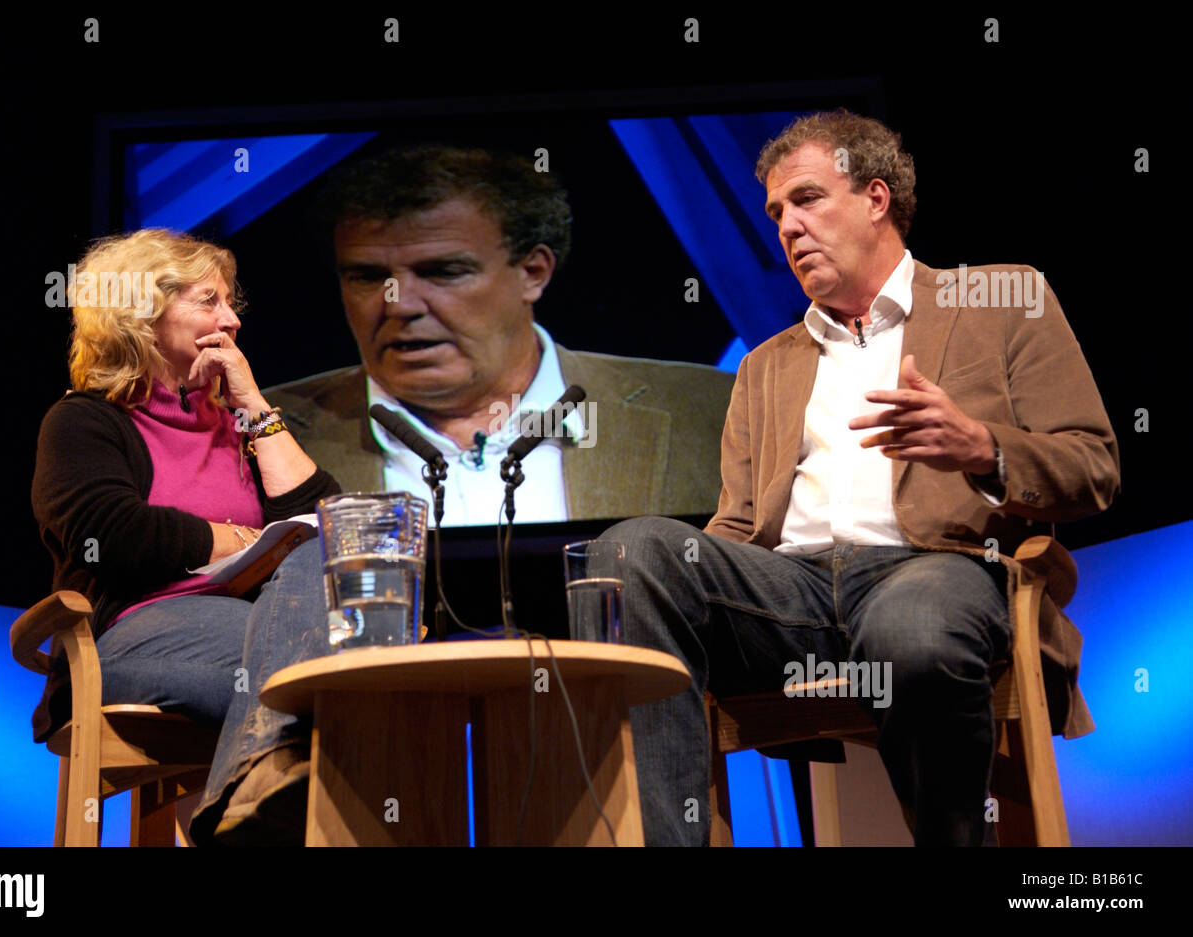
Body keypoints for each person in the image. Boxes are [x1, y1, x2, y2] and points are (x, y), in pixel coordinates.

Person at [605, 110, 1121, 846]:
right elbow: (735, 526)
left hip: (938, 570)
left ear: (877, 198)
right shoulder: (764, 365)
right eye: (777, 213)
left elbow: (1094, 466)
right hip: (792, 594)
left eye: (807, 199)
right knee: (636, 551)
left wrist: (981, 445)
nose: (787, 226)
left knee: (910, 623)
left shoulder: (1005, 300)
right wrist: (686, 581)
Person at [30, 229, 342, 845]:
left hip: (259, 627)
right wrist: (243, 539)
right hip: (131, 638)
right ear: (142, 312)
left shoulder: (232, 424)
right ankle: (244, 811)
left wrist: (253, 404)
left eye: (231, 304)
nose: (229, 320)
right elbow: (111, 533)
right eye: (209, 301)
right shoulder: (84, 422)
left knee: (325, 582)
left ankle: (240, 805)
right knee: (328, 678)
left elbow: (327, 522)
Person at [264, 144, 736, 525]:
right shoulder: (256, 436)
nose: (400, 304)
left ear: (533, 271)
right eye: (367, 277)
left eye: (443, 271)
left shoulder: (717, 411)